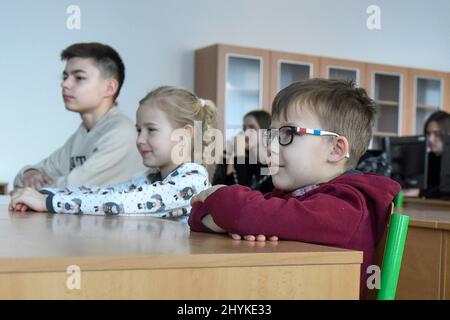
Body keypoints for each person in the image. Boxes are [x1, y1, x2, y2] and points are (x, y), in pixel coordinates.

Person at [188, 79, 401, 298]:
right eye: (272, 134)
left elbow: (241, 213)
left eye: (288, 134)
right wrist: (228, 220)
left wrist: (222, 200)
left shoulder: (348, 206)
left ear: (336, 149)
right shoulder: (293, 194)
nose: (271, 146)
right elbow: (198, 215)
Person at [10, 86, 217, 223]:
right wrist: (46, 195)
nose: (139, 139)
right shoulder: (152, 179)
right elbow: (104, 193)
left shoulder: (191, 180)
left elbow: (119, 202)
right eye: (138, 130)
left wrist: (47, 203)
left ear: (184, 136)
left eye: (151, 130)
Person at [13, 42, 146, 190]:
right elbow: (23, 178)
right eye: (65, 76)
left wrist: (35, 187)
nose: (65, 84)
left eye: (79, 78)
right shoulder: (82, 133)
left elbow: (74, 189)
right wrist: (30, 173)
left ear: (109, 88)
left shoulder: (121, 132)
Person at [212, 110, 274, 193]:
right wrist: (227, 154)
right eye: (244, 128)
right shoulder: (242, 159)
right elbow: (216, 188)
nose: (246, 132)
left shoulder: (275, 163)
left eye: (252, 127)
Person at [420, 110, 450, 198]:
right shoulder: (426, 159)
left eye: (437, 134)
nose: (430, 139)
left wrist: (420, 192)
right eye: (428, 134)